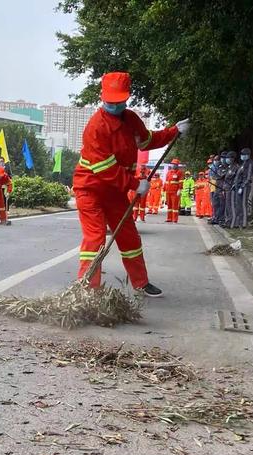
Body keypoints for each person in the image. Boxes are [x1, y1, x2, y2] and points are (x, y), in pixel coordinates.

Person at [73, 71, 189, 297]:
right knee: (95, 238)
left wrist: (174, 131)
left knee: (130, 236)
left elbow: (147, 141)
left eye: (119, 101)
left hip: (114, 190)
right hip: (90, 188)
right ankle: (87, 289)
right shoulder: (96, 127)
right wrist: (135, 184)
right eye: (110, 101)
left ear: (127, 98)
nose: (114, 105)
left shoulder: (131, 119)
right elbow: (103, 169)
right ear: (102, 96)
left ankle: (141, 282)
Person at [231, 148, 253, 228]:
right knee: (239, 205)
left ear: (247, 155)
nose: (242, 156)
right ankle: (239, 222)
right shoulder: (243, 163)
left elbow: (248, 177)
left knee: (244, 205)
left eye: (243, 155)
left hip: (244, 187)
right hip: (239, 186)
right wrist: (235, 184)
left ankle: (244, 223)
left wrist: (242, 186)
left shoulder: (250, 164)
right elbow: (239, 176)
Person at [164, 159, 184, 223]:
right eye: (173, 164)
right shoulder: (169, 172)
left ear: (177, 165)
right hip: (168, 191)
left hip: (175, 192)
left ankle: (175, 219)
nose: (174, 165)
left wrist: (180, 189)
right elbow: (166, 181)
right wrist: (164, 189)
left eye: (175, 164)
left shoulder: (179, 172)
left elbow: (181, 181)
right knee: (169, 206)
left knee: (175, 206)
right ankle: (169, 218)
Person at [222, 151, 238, 228]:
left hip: (231, 189)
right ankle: (227, 221)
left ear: (233, 158)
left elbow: (235, 179)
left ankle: (232, 222)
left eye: (228, 158)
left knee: (231, 206)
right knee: (227, 206)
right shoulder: (228, 167)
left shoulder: (236, 167)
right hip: (226, 189)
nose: (227, 159)